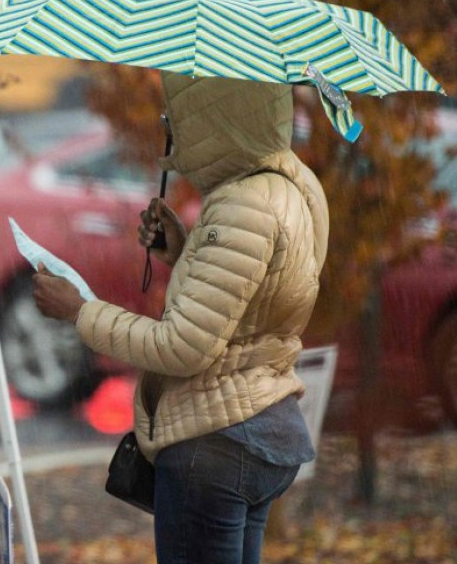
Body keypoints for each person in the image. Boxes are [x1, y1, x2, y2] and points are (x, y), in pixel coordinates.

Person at [32, 72, 329, 564]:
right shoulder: (293, 187)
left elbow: (184, 347)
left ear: (215, 114)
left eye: (181, 115)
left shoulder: (242, 206)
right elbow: (262, 301)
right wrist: (186, 251)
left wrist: (80, 312)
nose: (173, 126)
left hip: (217, 439)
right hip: (264, 424)